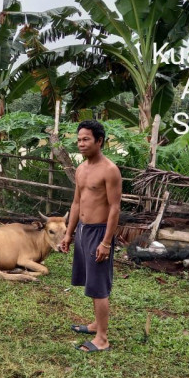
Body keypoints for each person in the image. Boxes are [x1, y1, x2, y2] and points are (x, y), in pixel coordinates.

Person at [60, 120, 122, 352]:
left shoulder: (110, 170)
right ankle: (96, 324)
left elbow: (115, 208)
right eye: (79, 140)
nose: (81, 144)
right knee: (89, 281)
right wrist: (68, 234)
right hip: (84, 230)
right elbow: (76, 203)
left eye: (86, 139)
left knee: (98, 286)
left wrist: (106, 242)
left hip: (99, 232)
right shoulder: (81, 169)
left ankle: (103, 339)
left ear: (99, 141)